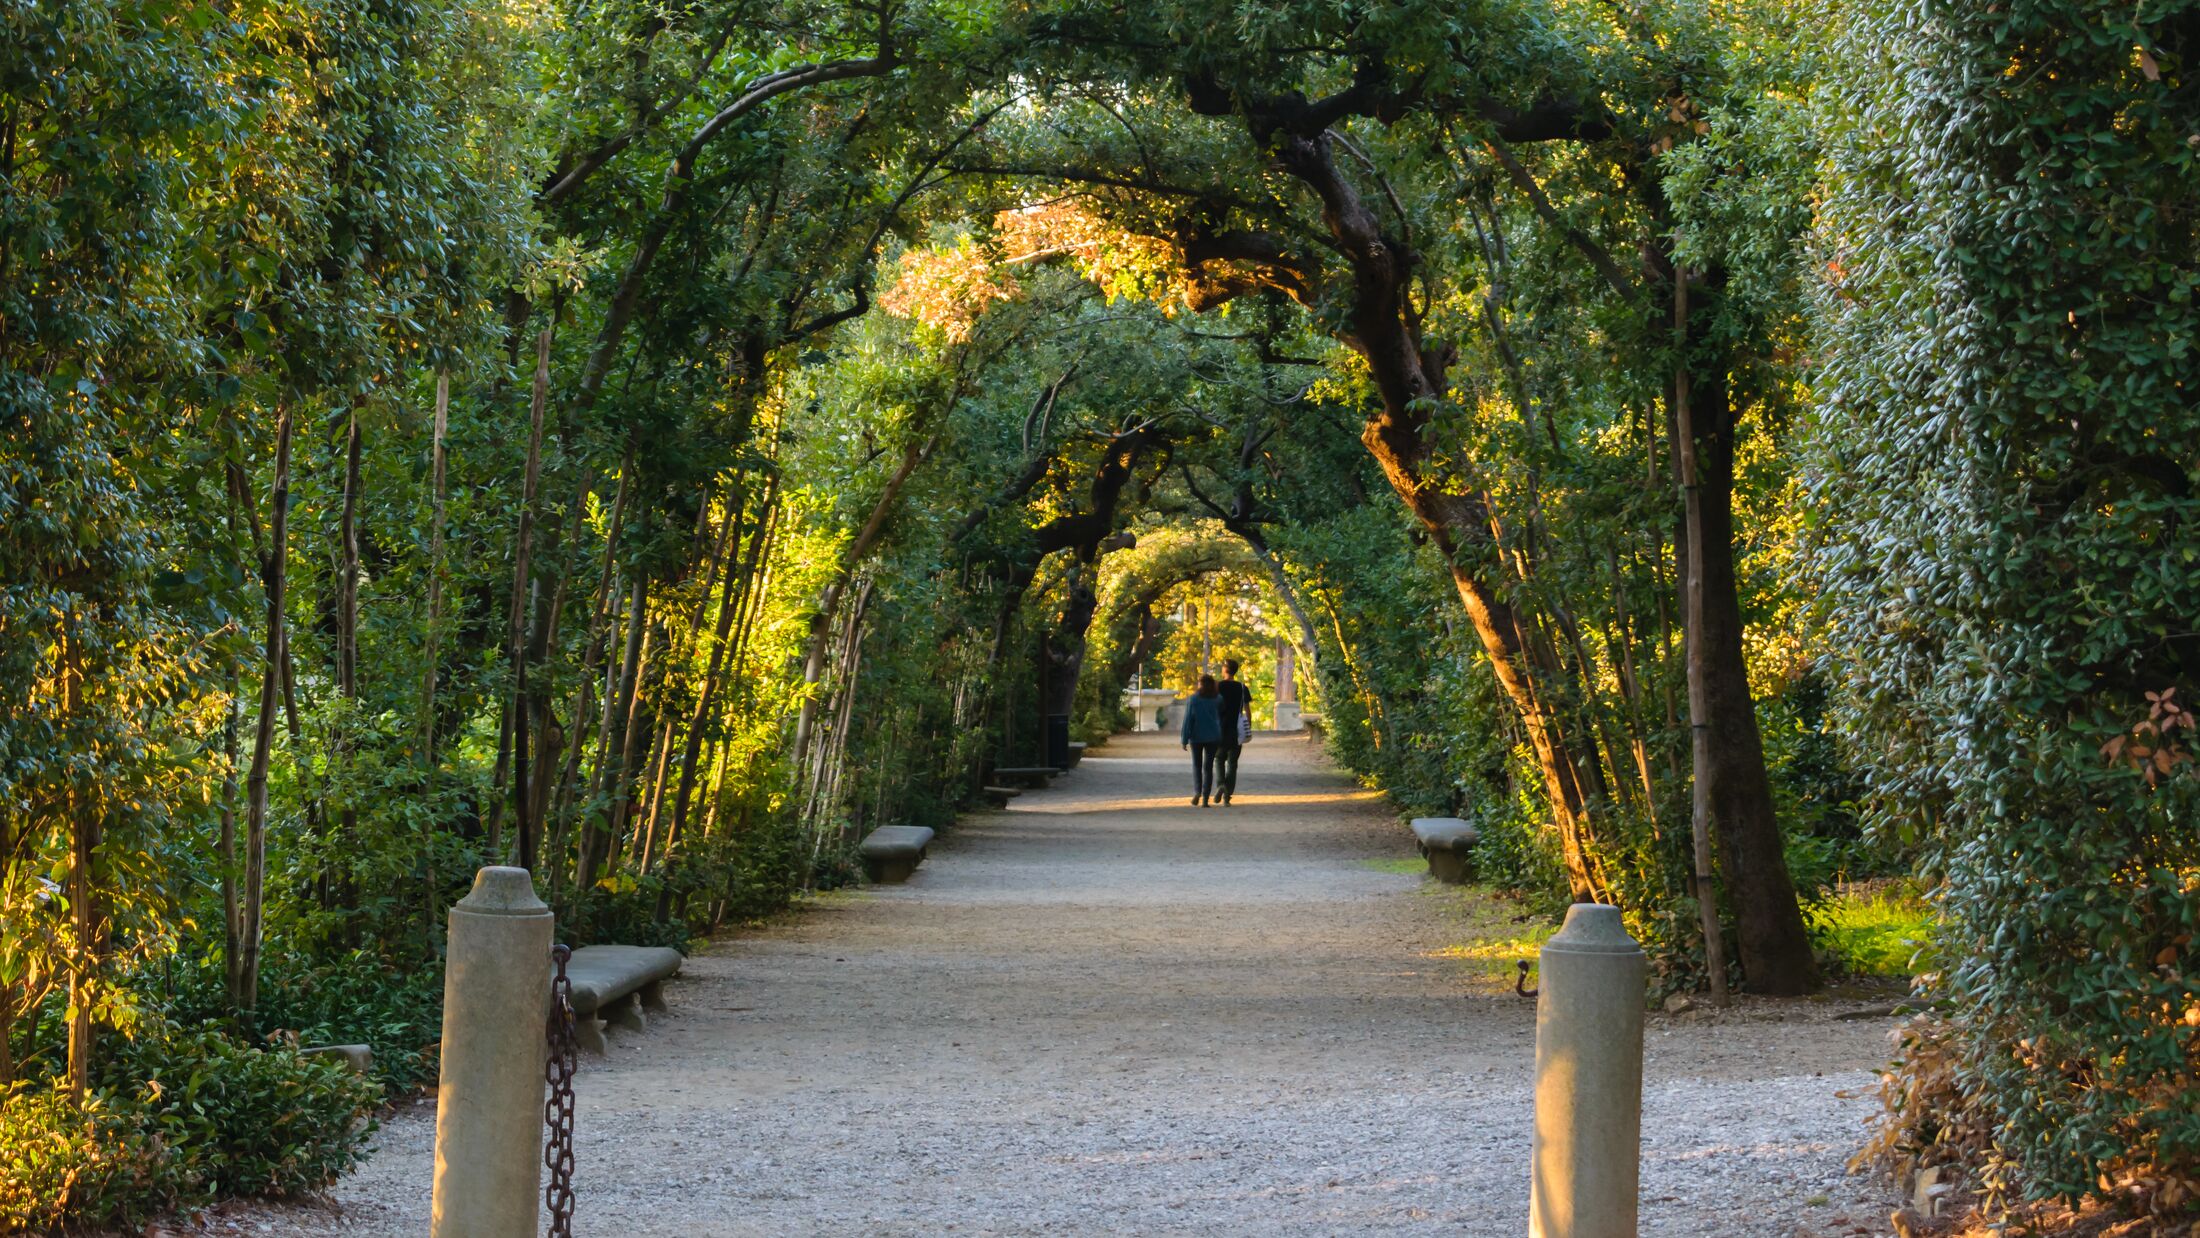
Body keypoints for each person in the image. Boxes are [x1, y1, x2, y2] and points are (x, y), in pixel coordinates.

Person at [1214, 659, 1254, 806]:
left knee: (1218, 759)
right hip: (1236, 730)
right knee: (1232, 763)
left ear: (1225, 670)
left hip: (1219, 729)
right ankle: (1227, 796)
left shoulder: (1217, 686)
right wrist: (1247, 727)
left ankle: (1220, 785)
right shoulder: (1242, 687)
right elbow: (1247, 711)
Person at [1179, 674, 1223, 806]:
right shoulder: (1218, 699)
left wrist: (1184, 738)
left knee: (1197, 766)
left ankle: (1197, 791)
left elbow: (1188, 720)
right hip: (1213, 736)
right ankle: (1205, 798)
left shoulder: (1193, 699)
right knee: (1208, 767)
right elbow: (1221, 717)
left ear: (1201, 684)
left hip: (1196, 737)